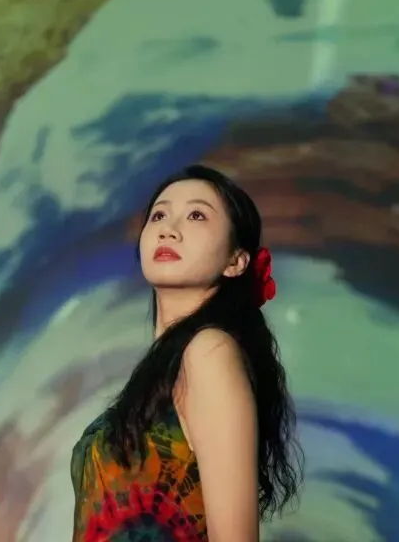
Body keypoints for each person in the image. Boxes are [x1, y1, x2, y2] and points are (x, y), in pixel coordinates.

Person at [70, 164, 303, 541]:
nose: (168, 229)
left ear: (236, 261)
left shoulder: (209, 352)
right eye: (158, 215)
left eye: (196, 215)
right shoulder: (168, 366)